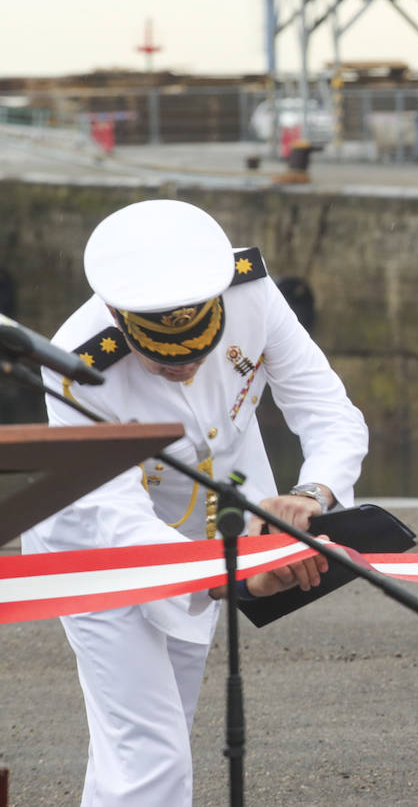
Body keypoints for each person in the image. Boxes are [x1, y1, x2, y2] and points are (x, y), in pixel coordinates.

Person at [22, 199, 369, 806]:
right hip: (103, 554)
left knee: (149, 743)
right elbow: (120, 516)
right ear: (116, 316)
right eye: (163, 357)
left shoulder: (249, 294)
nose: (184, 367)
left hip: (216, 537)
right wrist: (234, 579)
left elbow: (329, 413)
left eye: (197, 352)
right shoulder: (76, 361)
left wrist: (308, 496)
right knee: (150, 752)